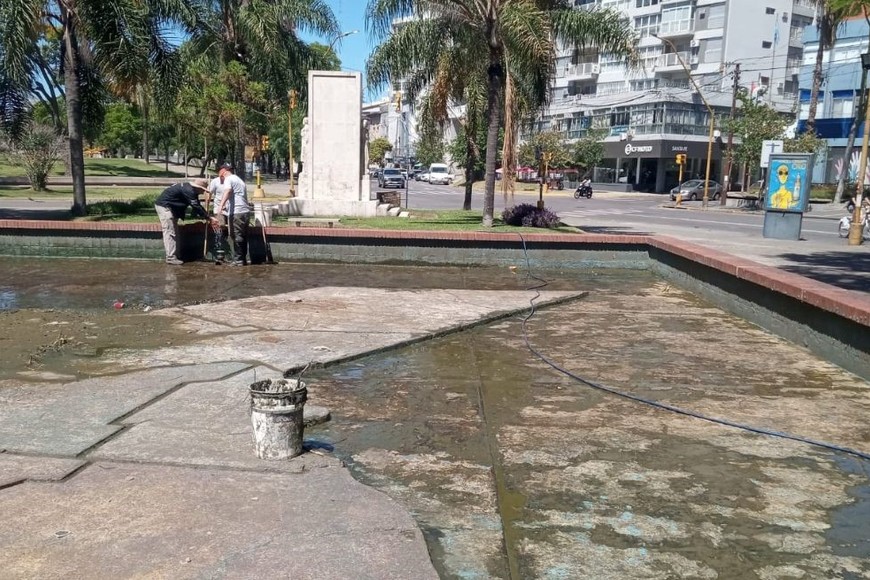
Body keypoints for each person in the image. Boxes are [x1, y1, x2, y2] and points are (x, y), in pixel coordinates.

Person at [154, 179, 216, 265]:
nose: (203, 192)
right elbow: (195, 206)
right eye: (203, 190)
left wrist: (206, 216)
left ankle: (175, 255)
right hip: (165, 207)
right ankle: (171, 257)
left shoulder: (190, 189)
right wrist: (208, 217)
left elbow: (196, 204)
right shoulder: (189, 191)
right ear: (198, 188)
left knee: (174, 231)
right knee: (169, 232)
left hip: (170, 208)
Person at [216, 163, 252, 266]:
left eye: (219, 172)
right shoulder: (239, 180)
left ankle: (238, 260)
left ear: (223, 171)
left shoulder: (228, 179)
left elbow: (227, 191)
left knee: (236, 235)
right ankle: (242, 259)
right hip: (244, 211)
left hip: (237, 212)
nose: (219, 175)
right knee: (243, 235)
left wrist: (221, 205)